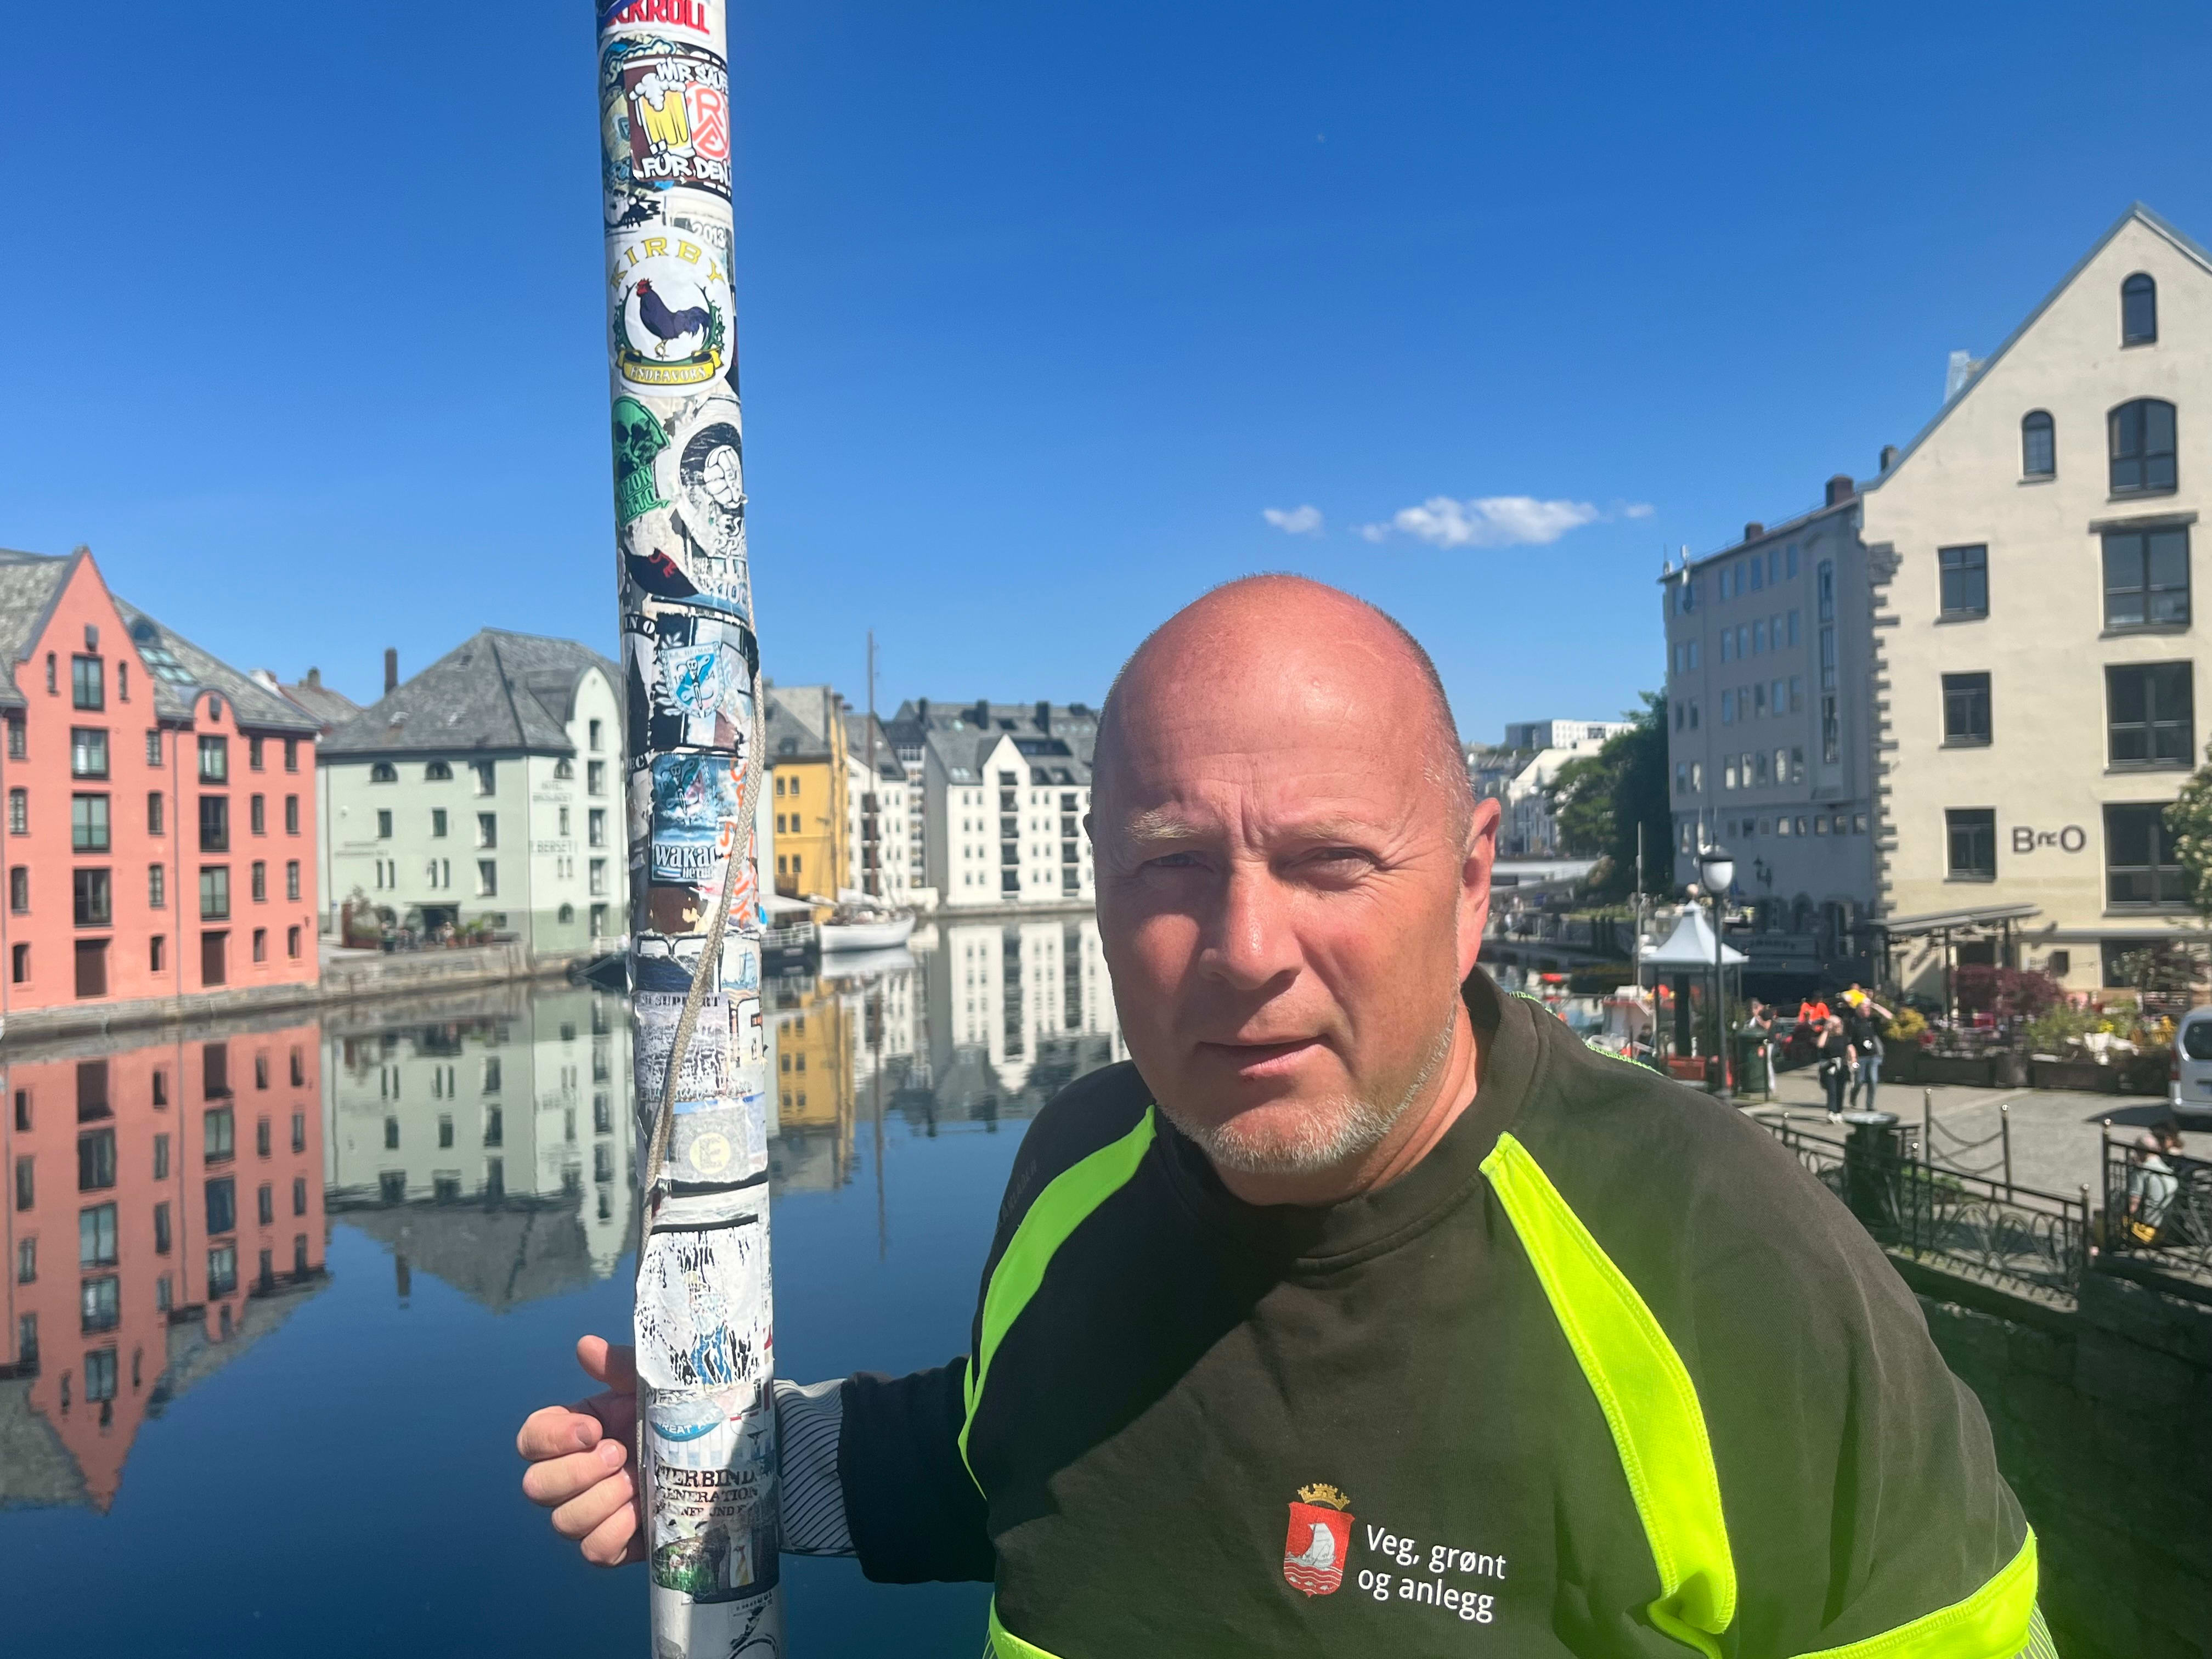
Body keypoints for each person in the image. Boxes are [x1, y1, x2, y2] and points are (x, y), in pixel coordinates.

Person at [517, 577, 2046, 1656]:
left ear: (1470, 886)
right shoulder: (1079, 1162)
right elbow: (1007, 1460)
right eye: (1173, 865)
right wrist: (732, 1460)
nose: (1245, 951)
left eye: (1327, 861)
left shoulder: (1726, 1265)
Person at [1843, 984, 1894, 1114]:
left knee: (1873, 1080)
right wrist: (1853, 1058)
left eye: (1868, 1009)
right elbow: (1849, 1042)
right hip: (1859, 1057)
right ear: (1859, 1010)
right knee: (1859, 1081)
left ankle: (1870, 1105)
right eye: (1865, 1009)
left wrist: (1875, 1006)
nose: (1867, 1011)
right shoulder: (1853, 1022)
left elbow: (1890, 1017)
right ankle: (1853, 1096)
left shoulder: (1872, 1020)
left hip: (1873, 1055)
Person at [1814, 1013, 1857, 1122]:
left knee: (1840, 1090)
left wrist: (1854, 1062)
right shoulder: (1827, 1037)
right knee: (1832, 1090)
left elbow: (1851, 1049)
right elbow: (1820, 1045)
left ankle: (1839, 1111)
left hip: (1842, 1066)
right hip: (1829, 1067)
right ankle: (1831, 1111)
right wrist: (1826, 1030)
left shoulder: (1844, 1037)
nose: (1839, 1027)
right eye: (1836, 1025)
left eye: (1840, 1025)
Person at [1744, 998, 1778, 1101]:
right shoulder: (1760, 1014)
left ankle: (1771, 1086)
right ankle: (1767, 1085)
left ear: (1756, 1008)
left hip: (1769, 1042)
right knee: (1765, 1063)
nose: (1752, 1013)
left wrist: (1758, 1020)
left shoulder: (1766, 1013)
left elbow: (1767, 1026)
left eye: (1753, 1010)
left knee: (1768, 1063)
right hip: (1762, 1043)